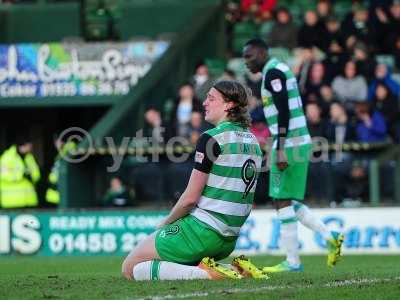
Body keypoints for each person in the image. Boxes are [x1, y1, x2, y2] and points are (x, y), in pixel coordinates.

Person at [121, 80, 265, 281]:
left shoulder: (212, 138)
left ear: (229, 105)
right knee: (171, 262)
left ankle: (209, 274)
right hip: (229, 237)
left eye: (211, 98)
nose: (204, 103)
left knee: (130, 267)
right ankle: (234, 268)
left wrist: (165, 223)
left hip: (202, 231)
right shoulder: (253, 141)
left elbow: (190, 199)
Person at [242, 38, 344, 273]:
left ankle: (293, 261)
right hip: (294, 140)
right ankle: (329, 236)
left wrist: (280, 147)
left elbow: (284, 109)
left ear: (262, 52)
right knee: (283, 198)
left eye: (249, 56)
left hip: (289, 142)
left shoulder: (273, 73)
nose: (246, 62)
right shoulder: (279, 69)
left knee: (281, 199)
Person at [0, 137, 41, 208]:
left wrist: (32, 176)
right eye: (29, 146)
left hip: (29, 200)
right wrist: (22, 175)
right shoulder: (7, 157)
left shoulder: (29, 157)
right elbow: (3, 175)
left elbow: (36, 174)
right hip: (11, 201)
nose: (31, 148)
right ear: (23, 145)